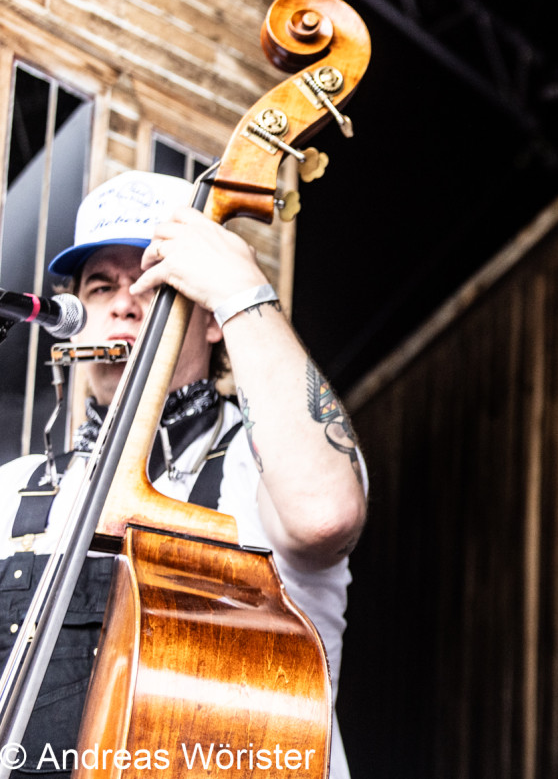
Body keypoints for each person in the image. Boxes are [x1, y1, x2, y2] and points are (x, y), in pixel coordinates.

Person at [0, 171, 367, 779]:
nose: (123, 302)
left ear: (210, 317)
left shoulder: (262, 461)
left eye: (152, 278)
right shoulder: (15, 488)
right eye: (99, 287)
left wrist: (242, 290)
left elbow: (326, 513)